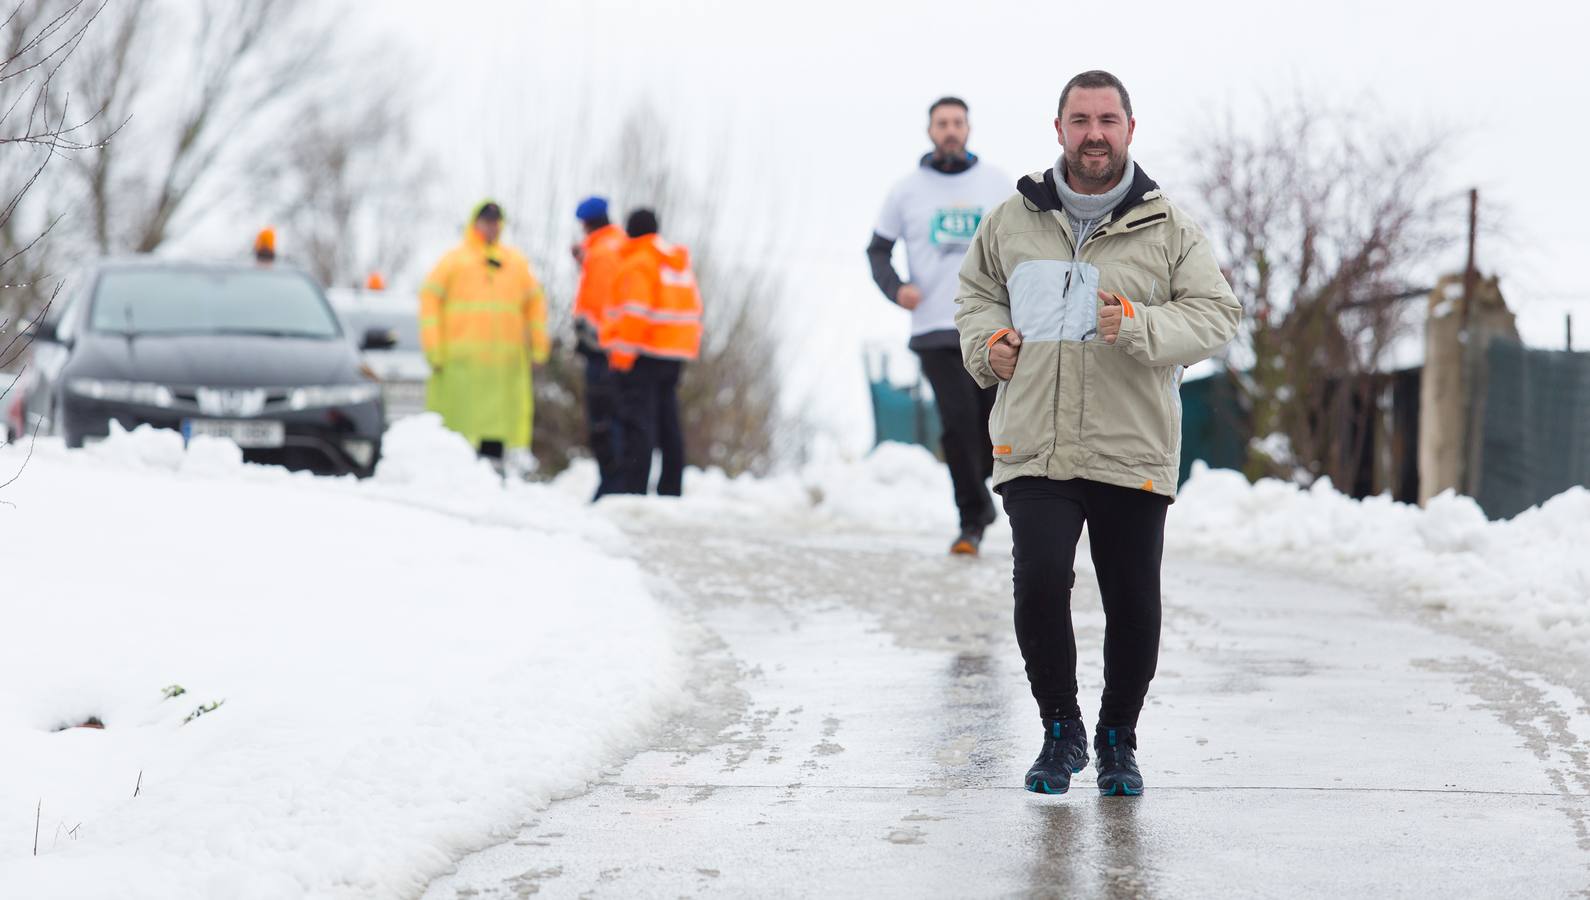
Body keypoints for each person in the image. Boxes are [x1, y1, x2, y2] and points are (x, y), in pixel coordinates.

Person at [953, 71, 1240, 797]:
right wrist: (989, 346)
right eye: (1080, 120)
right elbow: (976, 294)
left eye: (1107, 119)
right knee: (1041, 583)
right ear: (1058, 130)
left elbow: (1216, 314)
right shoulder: (1011, 220)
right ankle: (1060, 730)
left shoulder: (1169, 227)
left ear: (1130, 130)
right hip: (1035, 443)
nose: (1094, 134)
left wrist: (1141, 326)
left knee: (1133, 601)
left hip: (1130, 443)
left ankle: (1118, 738)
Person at [868, 96, 1011, 556]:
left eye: (957, 123)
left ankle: (984, 504)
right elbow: (877, 250)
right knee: (956, 422)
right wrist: (897, 289)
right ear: (930, 131)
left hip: (990, 323)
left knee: (992, 424)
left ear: (968, 129)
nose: (950, 130)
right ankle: (972, 519)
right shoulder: (906, 190)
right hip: (934, 326)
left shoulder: (997, 185)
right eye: (942, 123)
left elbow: (1025, 244)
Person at [419, 200, 550, 477]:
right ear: (475, 223)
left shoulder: (515, 262)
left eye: (497, 222)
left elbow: (535, 306)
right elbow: (429, 301)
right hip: (462, 365)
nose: (492, 227)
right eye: (487, 222)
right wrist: (434, 349)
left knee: (498, 427)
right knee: (460, 427)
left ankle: (492, 481)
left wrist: (539, 348)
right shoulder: (454, 260)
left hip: (504, 366)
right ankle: (457, 477)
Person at [604, 208, 701, 496]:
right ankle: (671, 488)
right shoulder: (673, 261)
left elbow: (635, 313)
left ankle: (634, 489)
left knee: (639, 424)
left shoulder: (640, 261)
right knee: (668, 422)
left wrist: (621, 356)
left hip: (644, 354)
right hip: (675, 353)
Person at [570, 196, 628, 498]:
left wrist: (592, 335)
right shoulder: (615, 244)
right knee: (615, 417)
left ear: (587, 223)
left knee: (604, 419)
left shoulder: (603, 253)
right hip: (614, 348)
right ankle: (616, 482)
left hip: (603, 349)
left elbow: (604, 302)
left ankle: (611, 485)